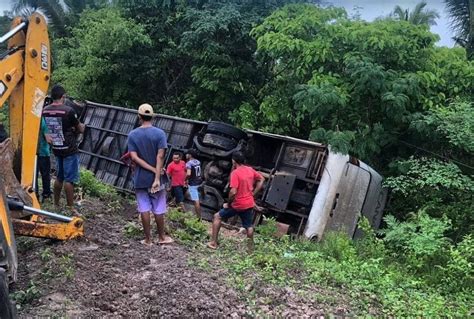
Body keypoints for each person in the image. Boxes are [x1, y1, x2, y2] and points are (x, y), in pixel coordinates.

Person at [127, 103, 173, 246]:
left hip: (140, 178)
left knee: (144, 208)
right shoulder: (159, 134)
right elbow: (160, 157)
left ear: (139, 117)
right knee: (159, 208)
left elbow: (134, 158)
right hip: (156, 179)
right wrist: (157, 175)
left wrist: (152, 170)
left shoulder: (133, 134)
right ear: (152, 116)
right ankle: (161, 237)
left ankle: (148, 239)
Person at [208, 151, 264, 251]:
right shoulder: (250, 170)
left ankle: (213, 243)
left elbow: (233, 192)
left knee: (217, 216)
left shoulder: (235, 173)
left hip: (238, 204)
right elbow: (262, 179)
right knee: (249, 227)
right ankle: (250, 250)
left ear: (234, 161)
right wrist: (253, 194)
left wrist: (228, 203)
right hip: (248, 203)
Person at [42, 85, 84, 213]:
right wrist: (82, 127)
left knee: (59, 177)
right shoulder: (68, 111)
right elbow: (79, 128)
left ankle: (56, 204)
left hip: (56, 146)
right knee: (69, 179)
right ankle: (70, 207)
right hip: (69, 148)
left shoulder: (45, 110)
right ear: (63, 96)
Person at [36, 117, 52, 202]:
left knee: (34, 176)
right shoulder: (43, 121)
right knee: (45, 176)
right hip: (43, 152)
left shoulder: (32, 119)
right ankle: (46, 195)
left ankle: (35, 194)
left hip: (32, 153)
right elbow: (48, 139)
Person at [185, 149, 202, 219]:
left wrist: (185, 180)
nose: (186, 155)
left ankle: (199, 218)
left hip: (193, 183)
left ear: (190, 155)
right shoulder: (198, 161)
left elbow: (188, 174)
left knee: (196, 200)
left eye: (187, 154)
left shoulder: (189, 163)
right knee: (186, 193)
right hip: (198, 181)